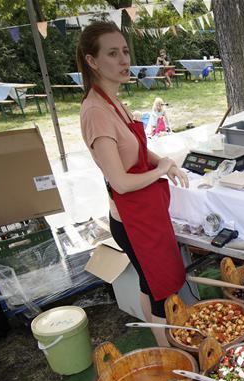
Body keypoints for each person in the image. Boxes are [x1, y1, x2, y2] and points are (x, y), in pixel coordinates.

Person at [77, 22, 189, 346]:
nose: (124, 60)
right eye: (112, 53)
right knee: (160, 289)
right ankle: (172, 356)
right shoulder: (96, 112)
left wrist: (163, 163)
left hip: (146, 212)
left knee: (148, 282)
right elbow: (120, 182)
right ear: (92, 61)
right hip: (132, 219)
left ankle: (163, 345)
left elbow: (140, 150)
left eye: (125, 51)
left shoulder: (115, 102)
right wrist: (161, 170)